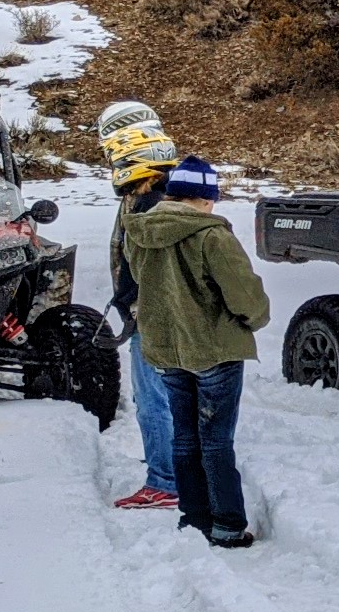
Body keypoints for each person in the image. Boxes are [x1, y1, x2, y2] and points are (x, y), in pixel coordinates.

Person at [122, 156, 271, 548]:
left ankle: (194, 519)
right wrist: (256, 318)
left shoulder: (139, 232)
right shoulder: (212, 235)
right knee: (216, 440)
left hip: (167, 349)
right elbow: (244, 295)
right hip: (213, 350)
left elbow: (141, 281)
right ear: (205, 198)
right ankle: (227, 526)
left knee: (185, 438)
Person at [98, 102, 179, 510]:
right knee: (166, 397)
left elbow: (151, 268)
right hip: (155, 314)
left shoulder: (151, 204)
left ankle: (165, 481)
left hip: (154, 318)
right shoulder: (164, 195)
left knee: (154, 401)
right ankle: (173, 472)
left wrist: (137, 307)